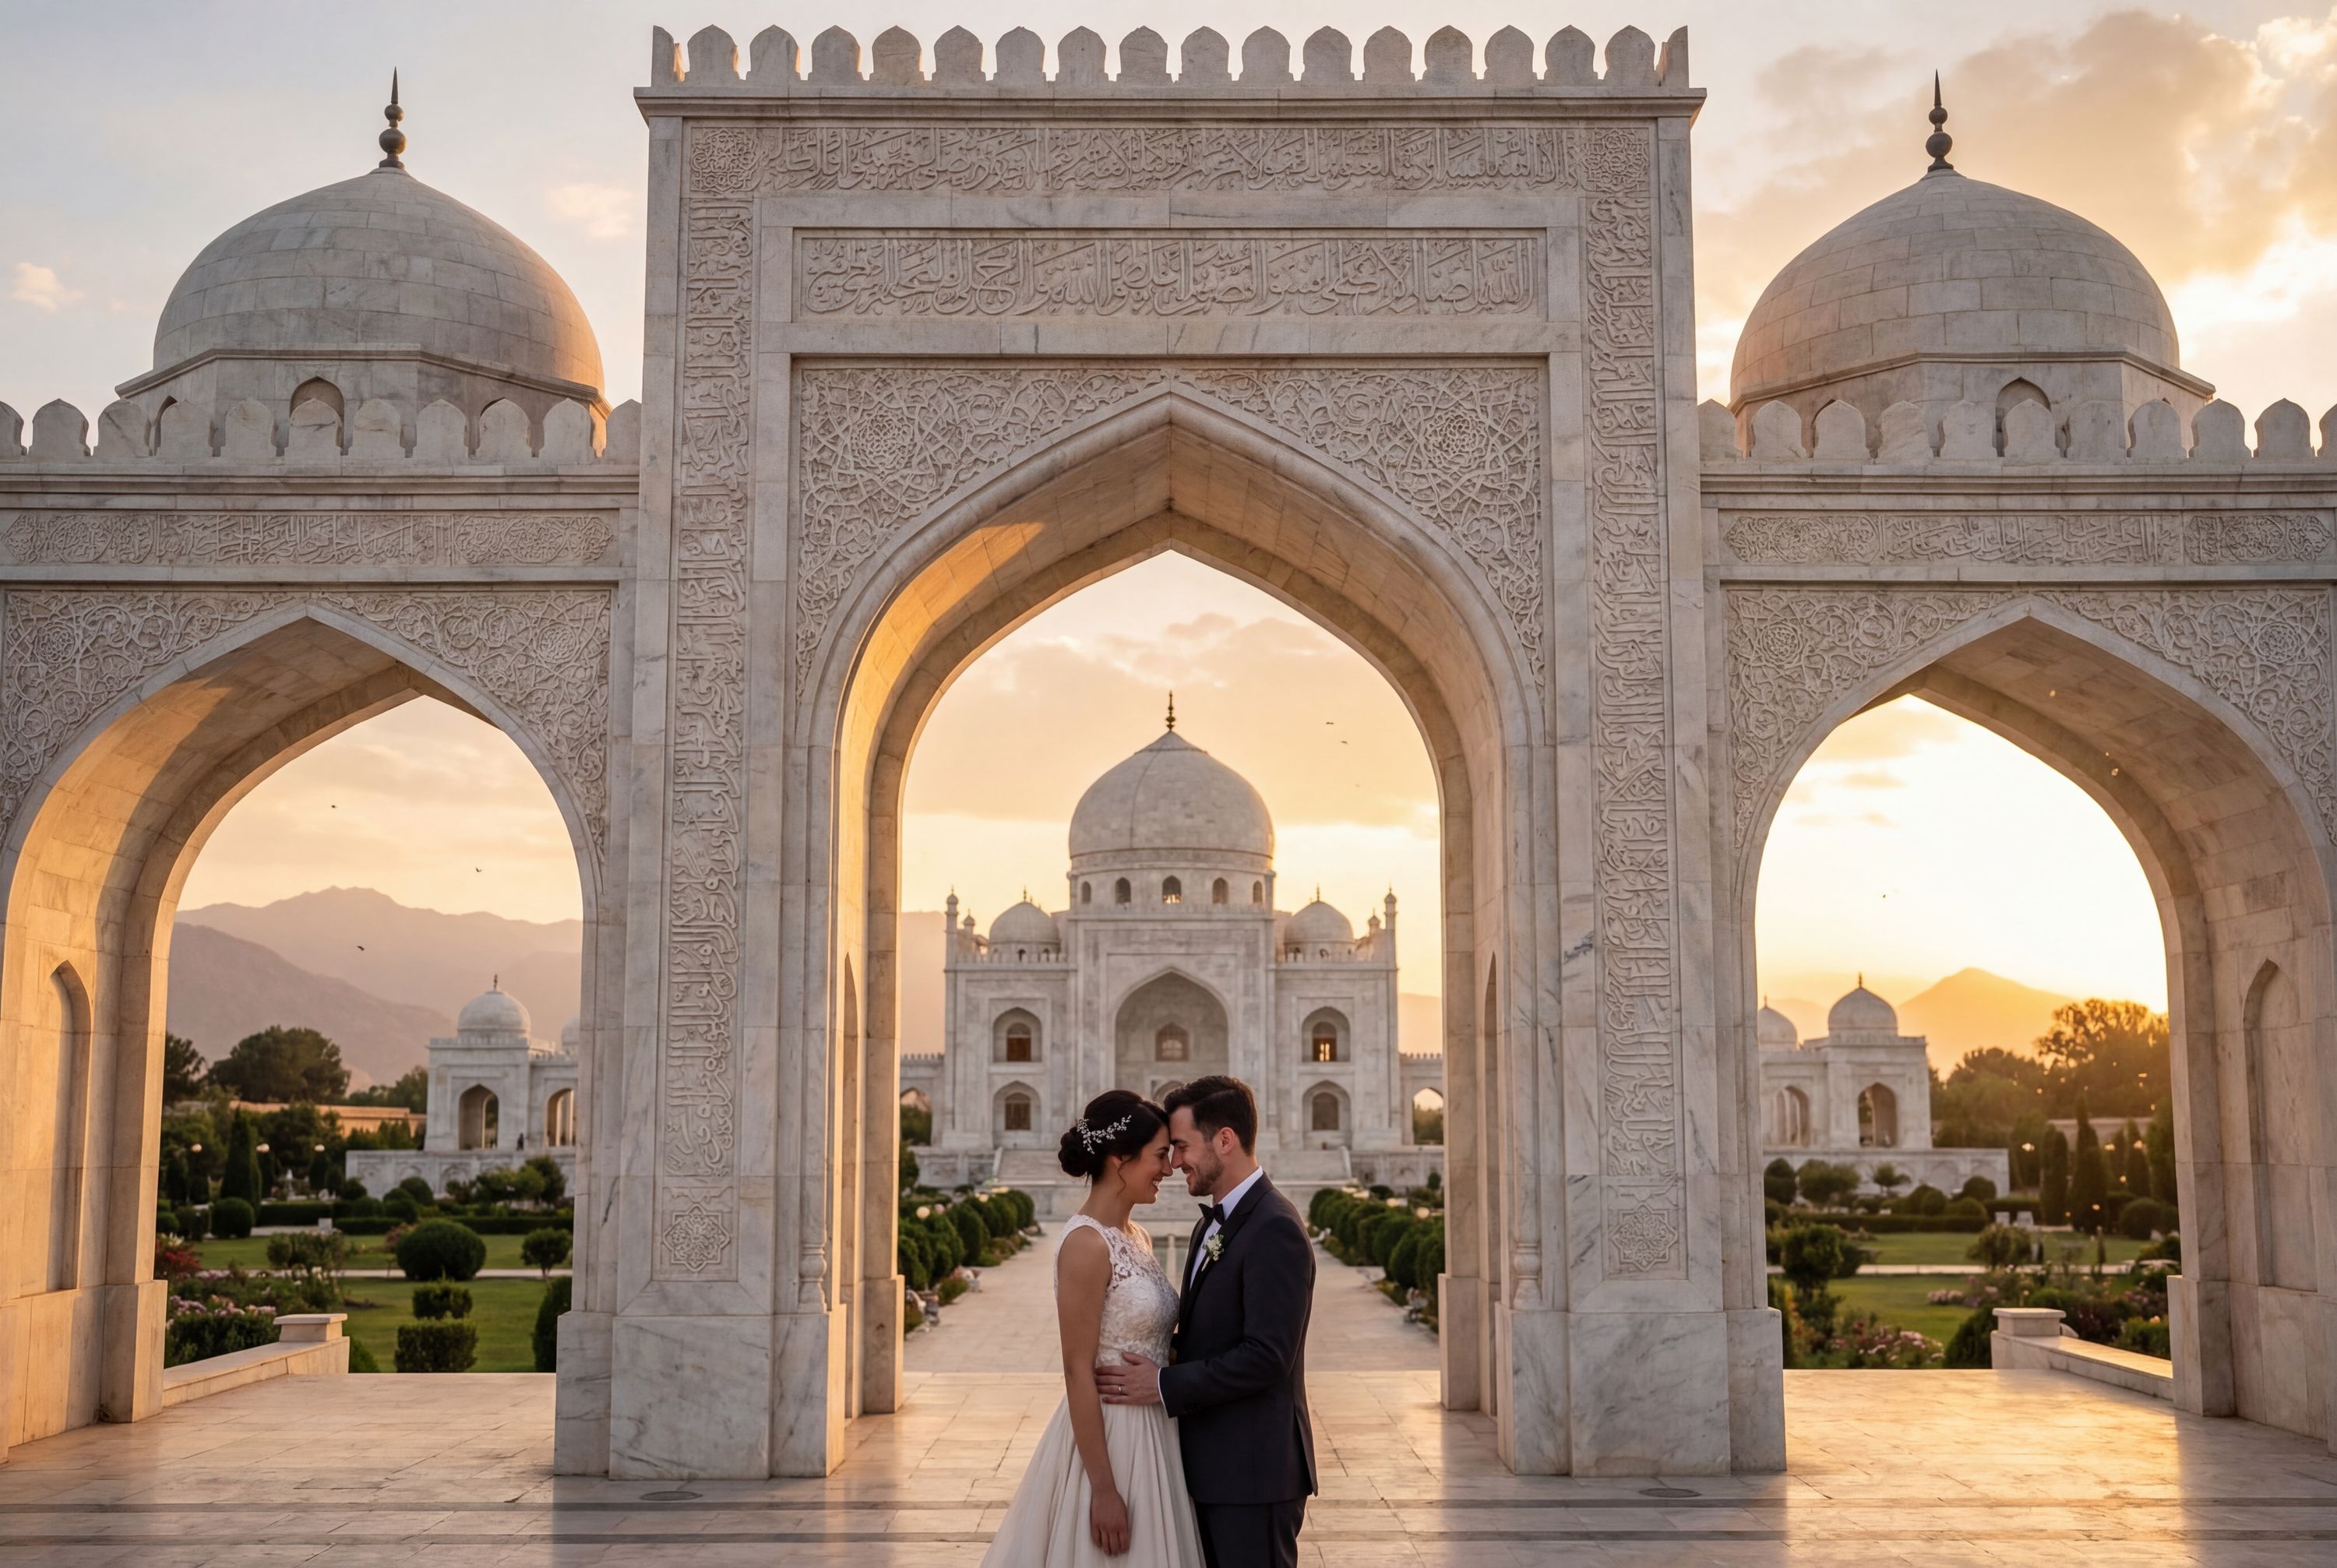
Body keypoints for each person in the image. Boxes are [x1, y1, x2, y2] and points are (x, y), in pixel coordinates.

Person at [1097, 1075, 1315, 1568]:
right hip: (1213, 1468)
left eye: (1180, 1147)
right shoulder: (1212, 1225)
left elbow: (1267, 1357)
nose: (1173, 1164)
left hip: (1253, 1475)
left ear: (1224, 1140)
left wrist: (1163, 1384)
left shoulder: (1274, 1227)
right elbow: (1209, 1334)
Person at [981, 1090, 1204, 1566]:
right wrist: (1103, 1489)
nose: (1169, 1169)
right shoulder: (1085, 1244)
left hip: (1154, 1430)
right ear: (1120, 1159)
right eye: (1160, 1156)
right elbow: (1076, 1370)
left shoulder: (1135, 1236)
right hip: (1111, 1439)